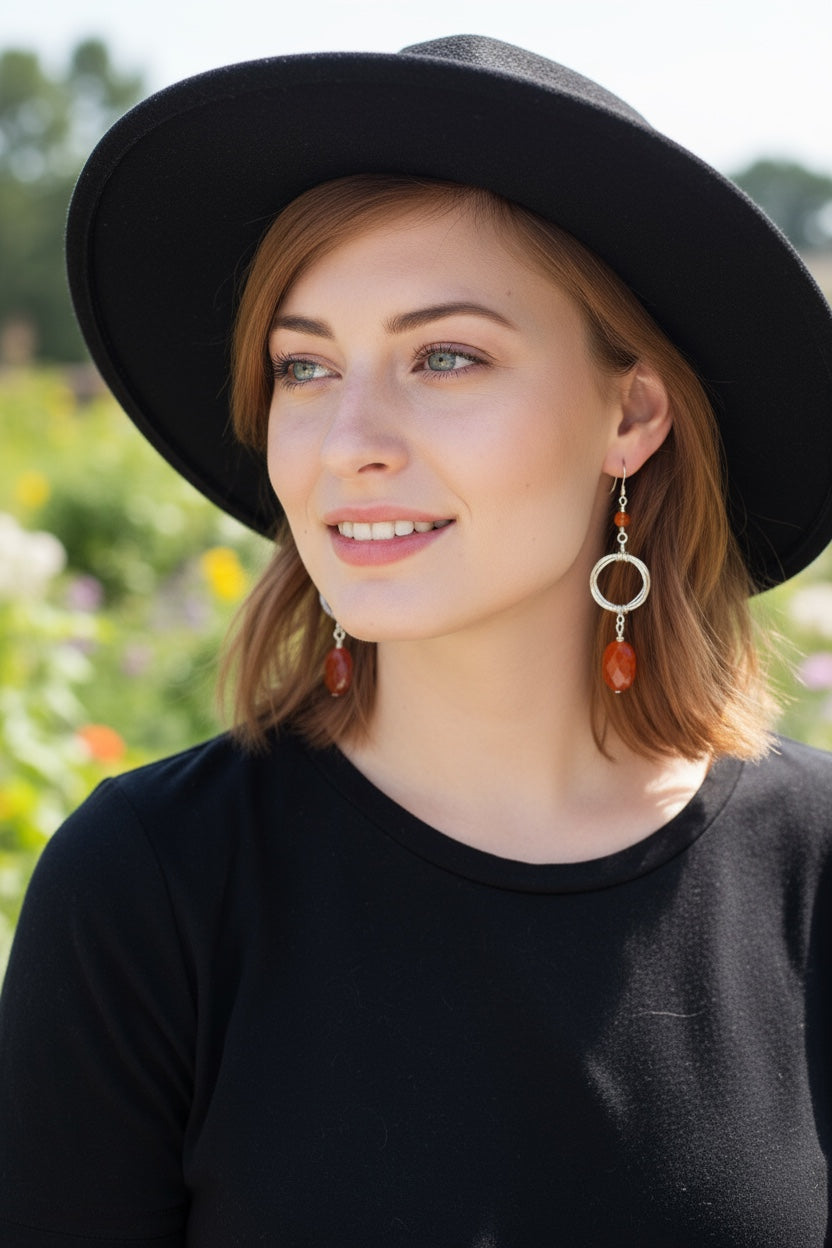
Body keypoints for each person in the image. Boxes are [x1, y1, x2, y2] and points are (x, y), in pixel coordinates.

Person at [1, 33, 831, 1247]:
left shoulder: (809, 870)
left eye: (445, 356)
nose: (348, 440)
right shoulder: (151, 890)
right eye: (304, 364)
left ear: (632, 411)